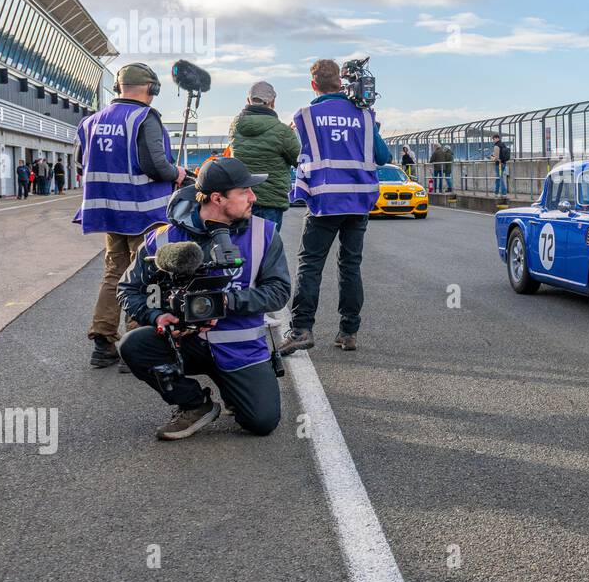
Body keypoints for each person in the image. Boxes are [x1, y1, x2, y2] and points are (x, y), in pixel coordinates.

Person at [117, 157, 289, 440]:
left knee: (262, 422)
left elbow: (279, 292)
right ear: (217, 198)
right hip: (185, 344)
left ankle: (235, 390)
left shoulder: (264, 233)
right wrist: (156, 315)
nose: (253, 197)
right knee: (134, 345)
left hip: (240, 349)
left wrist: (226, 302)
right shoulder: (162, 239)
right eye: (244, 191)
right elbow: (128, 289)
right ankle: (195, 404)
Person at [75, 63, 186, 368]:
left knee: (114, 273)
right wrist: (177, 173)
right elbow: (156, 165)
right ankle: (137, 342)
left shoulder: (91, 121)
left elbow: (81, 162)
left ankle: (103, 342)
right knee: (147, 275)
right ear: (152, 88)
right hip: (143, 212)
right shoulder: (144, 118)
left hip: (108, 212)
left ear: (118, 88)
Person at [279, 59, 389, 355]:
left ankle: (301, 329)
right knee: (350, 266)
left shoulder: (305, 116)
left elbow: (293, 154)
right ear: (341, 83)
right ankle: (349, 332)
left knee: (310, 265)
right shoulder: (364, 115)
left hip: (324, 202)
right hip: (359, 202)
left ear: (313, 85)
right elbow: (383, 157)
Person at [228, 80, 301, 228]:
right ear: (272, 102)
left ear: (248, 100)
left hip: (241, 199)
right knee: (266, 242)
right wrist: (289, 136)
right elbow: (299, 160)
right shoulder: (282, 131)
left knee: (242, 241)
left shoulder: (234, 126)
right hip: (270, 201)